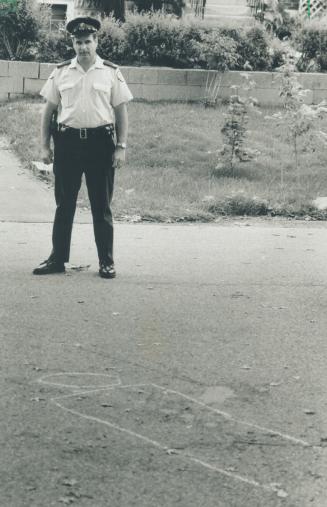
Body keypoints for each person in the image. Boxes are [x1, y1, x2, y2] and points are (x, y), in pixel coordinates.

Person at [33, 16, 133, 279]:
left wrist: (120, 147)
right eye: (78, 42)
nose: (83, 47)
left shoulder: (111, 72)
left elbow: (121, 112)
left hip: (101, 145)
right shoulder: (62, 71)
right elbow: (48, 111)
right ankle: (57, 259)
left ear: (96, 41)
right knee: (64, 204)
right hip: (67, 144)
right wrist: (45, 145)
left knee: (102, 206)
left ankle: (106, 261)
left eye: (87, 41)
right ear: (73, 43)